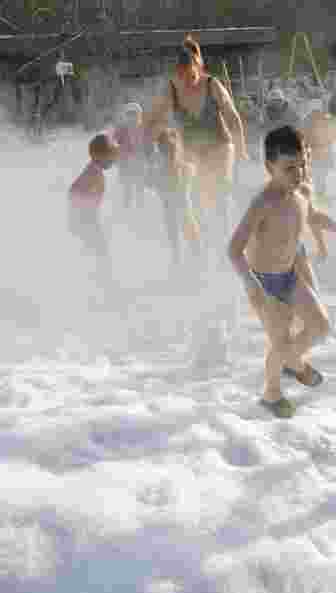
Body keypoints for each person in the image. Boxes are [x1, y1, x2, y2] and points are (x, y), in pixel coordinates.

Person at [227, 125, 336, 418]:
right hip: (264, 284)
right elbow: (233, 249)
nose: (298, 173)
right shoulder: (262, 203)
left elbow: (312, 216)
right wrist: (250, 284)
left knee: (320, 325)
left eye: (303, 164)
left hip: (289, 276)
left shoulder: (302, 190)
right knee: (279, 342)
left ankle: (293, 361)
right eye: (289, 168)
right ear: (269, 166)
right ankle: (271, 393)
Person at [143, 35, 250, 366]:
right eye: (180, 75)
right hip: (192, 152)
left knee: (217, 197)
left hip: (220, 147)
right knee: (191, 202)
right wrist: (153, 142)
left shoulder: (212, 84)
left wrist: (243, 146)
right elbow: (149, 120)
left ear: (198, 66)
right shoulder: (170, 88)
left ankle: (226, 243)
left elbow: (231, 116)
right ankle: (199, 251)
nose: (186, 80)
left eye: (190, 73)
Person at [68, 132, 120, 278]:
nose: (114, 160)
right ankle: (103, 283)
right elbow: (73, 191)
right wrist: (80, 216)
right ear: (100, 156)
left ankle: (100, 281)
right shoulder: (93, 173)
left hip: (88, 220)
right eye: (111, 155)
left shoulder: (94, 170)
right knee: (100, 253)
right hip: (86, 221)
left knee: (97, 252)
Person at [154, 127, 201, 274]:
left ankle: (185, 259)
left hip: (176, 207)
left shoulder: (166, 169)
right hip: (178, 207)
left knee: (180, 234)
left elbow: (158, 186)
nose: (167, 153)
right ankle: (186, 259)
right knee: (182, 233)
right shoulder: (182, 167)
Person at [113, 102, 148, 210]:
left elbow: (148, 145)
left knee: (139, 187)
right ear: (126, 116)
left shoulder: (143, 129)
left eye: (134, 114)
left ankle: (140, 207)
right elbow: (114, 144)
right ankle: (126, 207)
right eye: (129, 114)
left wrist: (150, 157)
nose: (132, 117)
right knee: (127, 188)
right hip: (125, 163)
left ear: (139, 115)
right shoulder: (121, 129)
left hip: (139, 162)